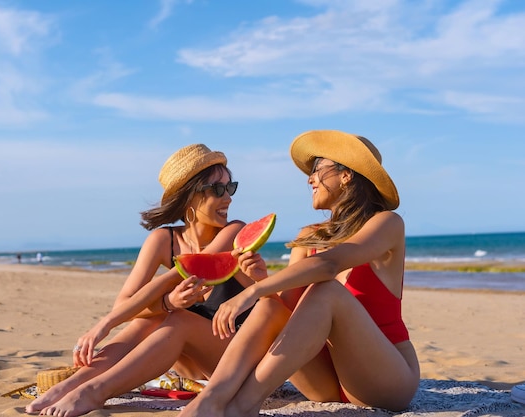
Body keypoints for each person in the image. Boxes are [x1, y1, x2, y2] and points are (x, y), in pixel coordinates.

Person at [179, 130, 420, 417]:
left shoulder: (387, 224)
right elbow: (284, 309)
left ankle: (242, 408)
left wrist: (252, 291)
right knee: (271, 304)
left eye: (318, 169)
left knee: (326, 289)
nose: (310, 179)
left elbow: (330, 265)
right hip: (326, 380)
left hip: (384, 380)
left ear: (346, 175)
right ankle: (212, 400)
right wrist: (262, 283)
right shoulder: (309, 237)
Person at [26, 144, 281, 416]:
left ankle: (95, 391)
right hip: (191, 366)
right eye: (217, 190)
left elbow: (187, 269)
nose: (227, 198)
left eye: (231, 188)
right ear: (189, 196)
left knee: (179, 319)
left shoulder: (234, 231)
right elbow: (126, 302)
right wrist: (168, 302)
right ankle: (75, 384)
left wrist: (105, 324)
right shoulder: (164, 240)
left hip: (237, 360)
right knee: (152, 318)